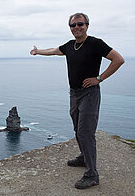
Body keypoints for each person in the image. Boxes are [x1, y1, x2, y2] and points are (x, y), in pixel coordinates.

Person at [30, 12, 124, 189]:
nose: (76, 28)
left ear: (87, 25)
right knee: (77, 127)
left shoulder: (95, 43)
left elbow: (118, 60)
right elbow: (53, 51)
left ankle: (92, 174)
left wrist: (99, 78)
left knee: (85, 132)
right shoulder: (70, 46)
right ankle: (83, 157)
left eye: (80, 24)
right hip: (74, 94)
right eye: (73, 25)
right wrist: (38, 51)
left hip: (89, 94)